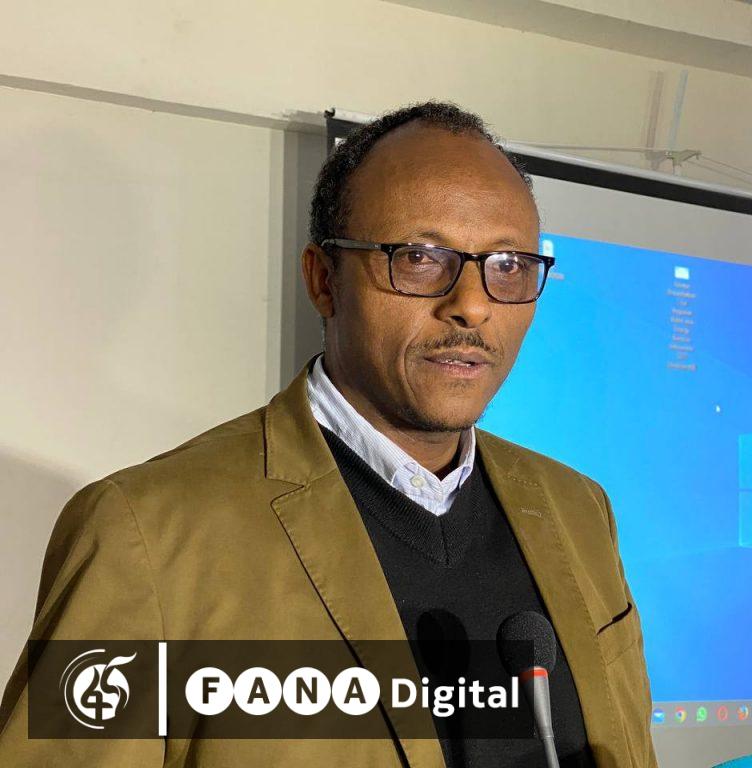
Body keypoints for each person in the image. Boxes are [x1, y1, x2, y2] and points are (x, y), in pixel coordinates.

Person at [0, 101, 656, 767]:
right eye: (419, 256)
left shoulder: (578, 510)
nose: (472, 304)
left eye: (508, 264)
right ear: (323, 280)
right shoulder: (145, 534)